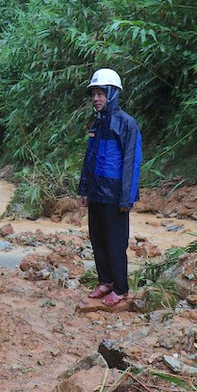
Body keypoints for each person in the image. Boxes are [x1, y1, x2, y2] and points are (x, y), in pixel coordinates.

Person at [78, 68, 142, 307]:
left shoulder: (127, 124)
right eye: (93, 94)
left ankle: (122, 288)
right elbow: (89, 158)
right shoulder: (98, 122)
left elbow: (131, 163)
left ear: (113, 93)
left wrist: (127, 198)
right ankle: (105, 281)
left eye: (100, 93)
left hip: (115, 194)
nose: (96, 98)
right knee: (97, 239)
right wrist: (84, 189)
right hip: (96, 192)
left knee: (116, 243)